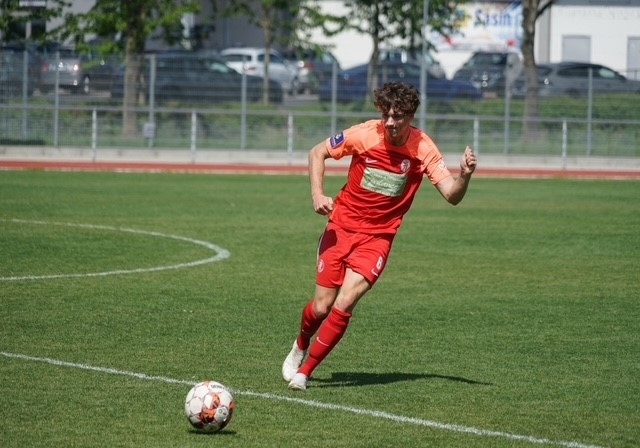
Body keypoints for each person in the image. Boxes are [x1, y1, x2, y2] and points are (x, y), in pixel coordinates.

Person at [282, 81, 477, 390]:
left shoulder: (423, 148)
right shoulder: (364, 134)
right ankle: (300, 344)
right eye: (385, 114)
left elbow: (452, 195)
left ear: (410, 116)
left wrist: (464, 175)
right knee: (321, 306)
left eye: (397, 116)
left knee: (345, 302)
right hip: (340, 228)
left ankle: (304, 373)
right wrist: (317, 194)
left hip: (377, 238)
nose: (389, 122)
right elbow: (317, 152)